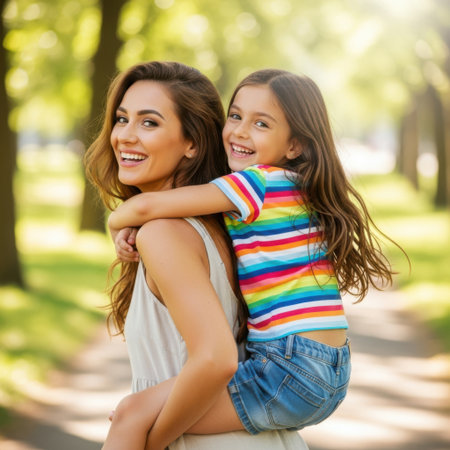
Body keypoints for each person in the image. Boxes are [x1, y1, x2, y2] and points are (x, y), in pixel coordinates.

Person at [108, 68, 404, 447]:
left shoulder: (257, 184)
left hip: (287, 366)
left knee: (132, 417)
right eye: (235, 116)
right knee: (137, 416)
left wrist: (118, 222)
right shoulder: (294, 189)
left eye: (260, 123)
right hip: (329, 368)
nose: (239, 132)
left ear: (294, 145)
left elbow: (147, 206)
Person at [85, 61, 309, 450]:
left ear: (192, 143)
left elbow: (216, 357)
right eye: (122, 119)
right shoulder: (225, 226)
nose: (125, 136)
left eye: (149, 123)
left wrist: (147, 435)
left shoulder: (163, 234)